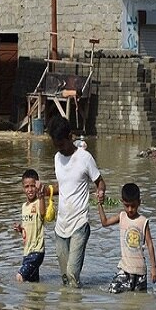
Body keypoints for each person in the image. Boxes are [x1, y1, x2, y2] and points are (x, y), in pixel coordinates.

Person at [46, 116, 106, 288]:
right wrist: (47, 190)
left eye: (62, 144)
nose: (60, 149)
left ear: (70, 137)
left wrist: (100, 192)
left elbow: (100, 181)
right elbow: (64, 186)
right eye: (56, 146)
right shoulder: (57, 158)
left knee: (72, 275)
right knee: (65, 278)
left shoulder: (85, 158)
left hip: (80, 225)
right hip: (61, 226)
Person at [97, 183, 156, 293]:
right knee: (113, 291)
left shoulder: (143, 221)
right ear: (122, 202)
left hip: (140, 271)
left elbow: (149, 244)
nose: (130, 209)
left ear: (139, 202)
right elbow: (105, 222)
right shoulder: (121, 216)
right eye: (126, 205)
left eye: (133, 206)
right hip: (125, 269)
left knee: (139, 301)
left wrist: (153, 268)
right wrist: (99, 205)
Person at [13, 169, 46, 282]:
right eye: (27, 186)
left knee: (19, 277)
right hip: (27, 252)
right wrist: (20, 229)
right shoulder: (24, 206)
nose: (30, 189)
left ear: (37, 186)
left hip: (36, 252)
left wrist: (41, 196)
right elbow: (27, 227)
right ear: (23, 188)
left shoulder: (38, 202)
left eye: (32, 186)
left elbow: (42, 214)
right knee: (33, 284)